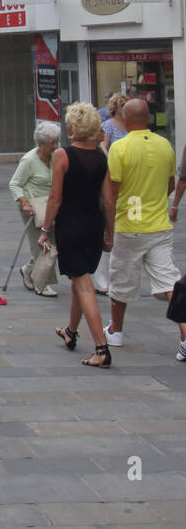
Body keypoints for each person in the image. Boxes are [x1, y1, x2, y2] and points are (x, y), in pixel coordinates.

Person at [102, 98, 183, 363]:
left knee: (120, 280)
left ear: (125, 119)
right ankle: (185, 334)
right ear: (148, 118)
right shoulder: (165, 145)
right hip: (159, 224)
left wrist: (108, 230)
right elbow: (170, 185)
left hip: (129, 224)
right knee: (169, 281)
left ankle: (116, 331)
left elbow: (112, 194)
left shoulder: (120, 147)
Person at [42, 103, 114, 367]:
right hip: (93, 226)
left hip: (71, 227)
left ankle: (101, 348)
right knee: (79, 279)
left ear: (72, 128)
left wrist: (45, 229)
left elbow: (55, 198)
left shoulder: (63, 155)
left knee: (83, 284)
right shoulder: (101, 156)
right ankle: (71, 332)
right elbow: (108, 201)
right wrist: (110, 232)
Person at [8, 121, 63, 297]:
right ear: (41, 143)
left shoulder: (57, 156)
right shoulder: (29, 159)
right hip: (33, 207)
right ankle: (42, 283)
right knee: (42, 246)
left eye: (57, 142)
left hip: (52, 205)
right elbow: (15, 184)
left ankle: (28, 270)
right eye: (52, 143)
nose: (55, 146)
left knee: (54, 243)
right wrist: (24, 201)